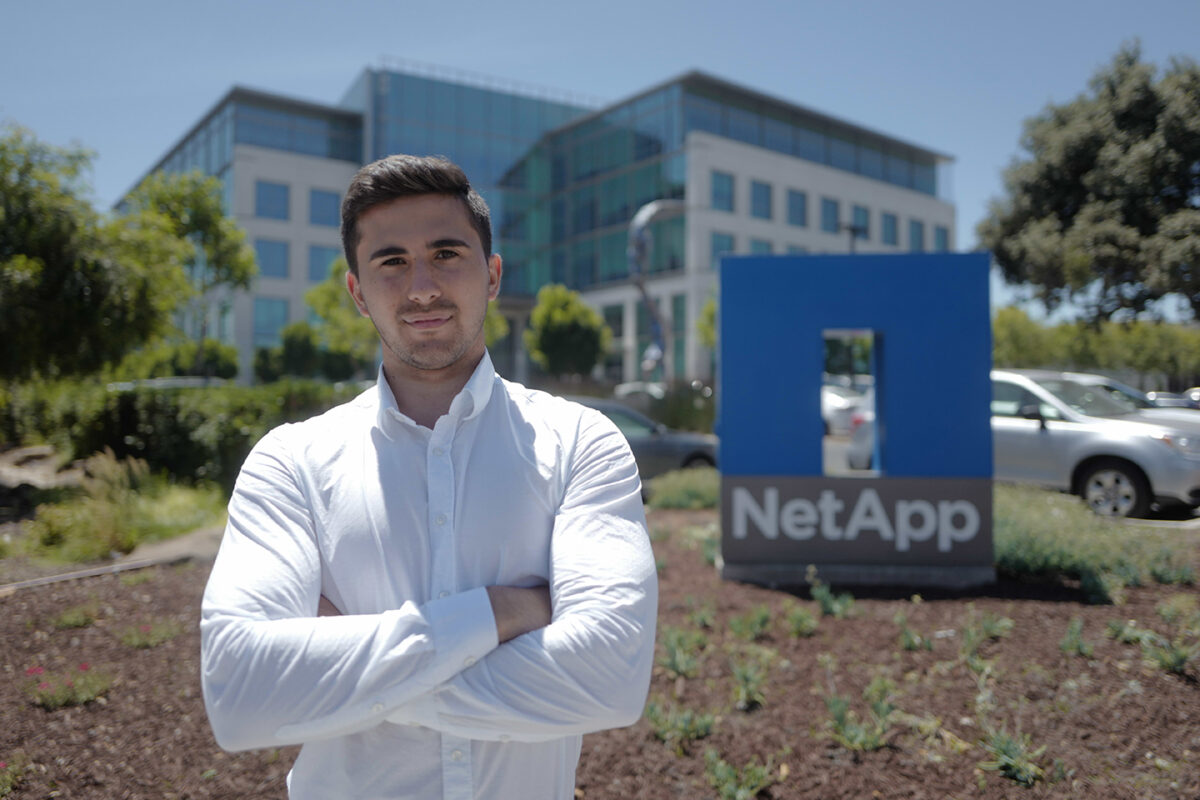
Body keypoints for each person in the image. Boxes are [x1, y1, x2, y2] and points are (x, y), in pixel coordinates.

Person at [200, 154, 658, 799]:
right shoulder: (291, 463)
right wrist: (503, 613)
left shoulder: (581, 444)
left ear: (492, 275)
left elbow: (607, 679)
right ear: (358, 291)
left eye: (447, 254)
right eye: (391, 261)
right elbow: (242, 694)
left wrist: (347, 681)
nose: (421, 287)